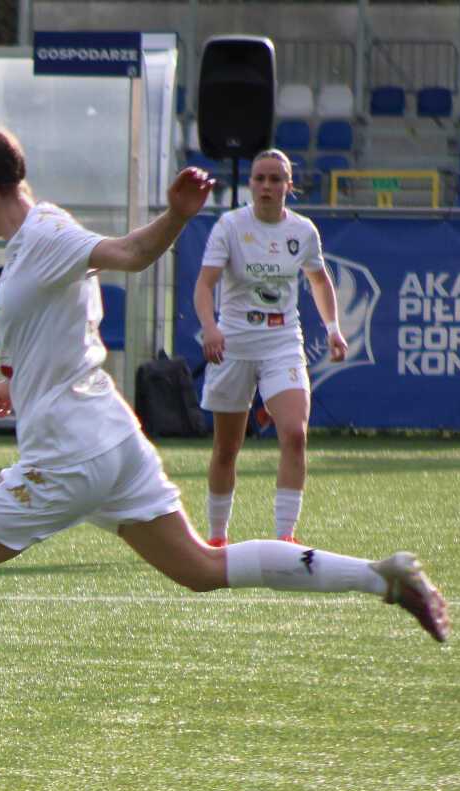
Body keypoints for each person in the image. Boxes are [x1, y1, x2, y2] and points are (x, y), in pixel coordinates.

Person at [0, 107, 447, 782]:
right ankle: (381, 577)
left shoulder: (47, 234)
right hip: (112, 442)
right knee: (201, 568)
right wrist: (12, 383)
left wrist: (176, 216)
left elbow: (130, 254)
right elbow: (55, 330)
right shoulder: (30, 244)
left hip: (68, 458)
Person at [193, 151, 345, 545]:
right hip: (234, 344)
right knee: (227, 447)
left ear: (288, 186)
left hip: (282, 342)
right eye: (259, 178)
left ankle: (285, 538)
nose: (266, 186)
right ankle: (217, 539)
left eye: (275, 179)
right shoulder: (230, 225)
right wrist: (210, 328)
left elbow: (320, 281)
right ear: (250, 184)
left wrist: (333, 329)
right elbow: (205, 284)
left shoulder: (303, 231)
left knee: (294, 434)